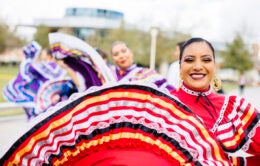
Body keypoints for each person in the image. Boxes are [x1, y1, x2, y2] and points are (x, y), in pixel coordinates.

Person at [170, 37, 260, 165]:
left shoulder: (230, 108)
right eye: (189, 60)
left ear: (214, 65)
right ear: (180, 66)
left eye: (206, 60)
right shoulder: (162, 105)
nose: (197, 66)